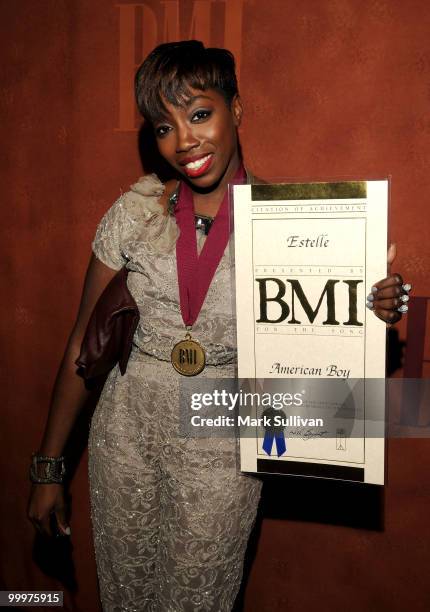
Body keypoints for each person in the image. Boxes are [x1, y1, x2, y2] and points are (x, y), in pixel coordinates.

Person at [27, 40, 408, 611]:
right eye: (163, 126)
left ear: (237, 109)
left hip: (225, 437)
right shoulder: (134, 213)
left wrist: (376, 305)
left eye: (199, 114)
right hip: (125, 433)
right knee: (125, 599)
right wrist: (49, 468)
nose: (183, 141)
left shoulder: (291, 223)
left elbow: (327, 338)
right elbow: (83, 341)